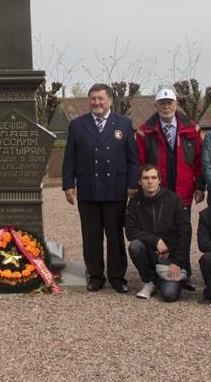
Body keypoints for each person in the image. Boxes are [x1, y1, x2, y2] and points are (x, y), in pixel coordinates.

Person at [62, 83, 140, 293]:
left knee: (115, 235)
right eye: (93, 99)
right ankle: (95, 275)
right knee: (91, 235)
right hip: (88, 188)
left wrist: (133, 184)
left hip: (115, 187)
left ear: (110, 101)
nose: (96, 102)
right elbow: (69, 158)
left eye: (100, 98)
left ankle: (117, 277)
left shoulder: (123, 123)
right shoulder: (77, 125)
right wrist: (68, 185)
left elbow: (133, 158)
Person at [136, 88, 203, 289]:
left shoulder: (192, 128)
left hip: (183, 189)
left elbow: (198, 160)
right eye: (162, 103)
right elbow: (140, 161)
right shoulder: (144, 130)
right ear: (156, 106)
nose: (166, 107)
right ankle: (159, 271)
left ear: (176, 104)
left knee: (183, 230)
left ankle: (184, 271)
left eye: (169, 103)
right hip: (158, 191)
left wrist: (200, 184)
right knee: (159, 228)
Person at [125, 165, 191, 302]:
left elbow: (185, 232)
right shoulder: (135, 202)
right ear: (139, 182)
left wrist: (177, 262)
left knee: (169, 295)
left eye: (154, 177)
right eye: (146, 178)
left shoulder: (174, 200)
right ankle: (150, 281)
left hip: (171, 255)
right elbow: (130, 231)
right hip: (149, 251)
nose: (150, 181)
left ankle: (163, 279)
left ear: (159, 180)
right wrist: (156, 241)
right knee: (135, 246)